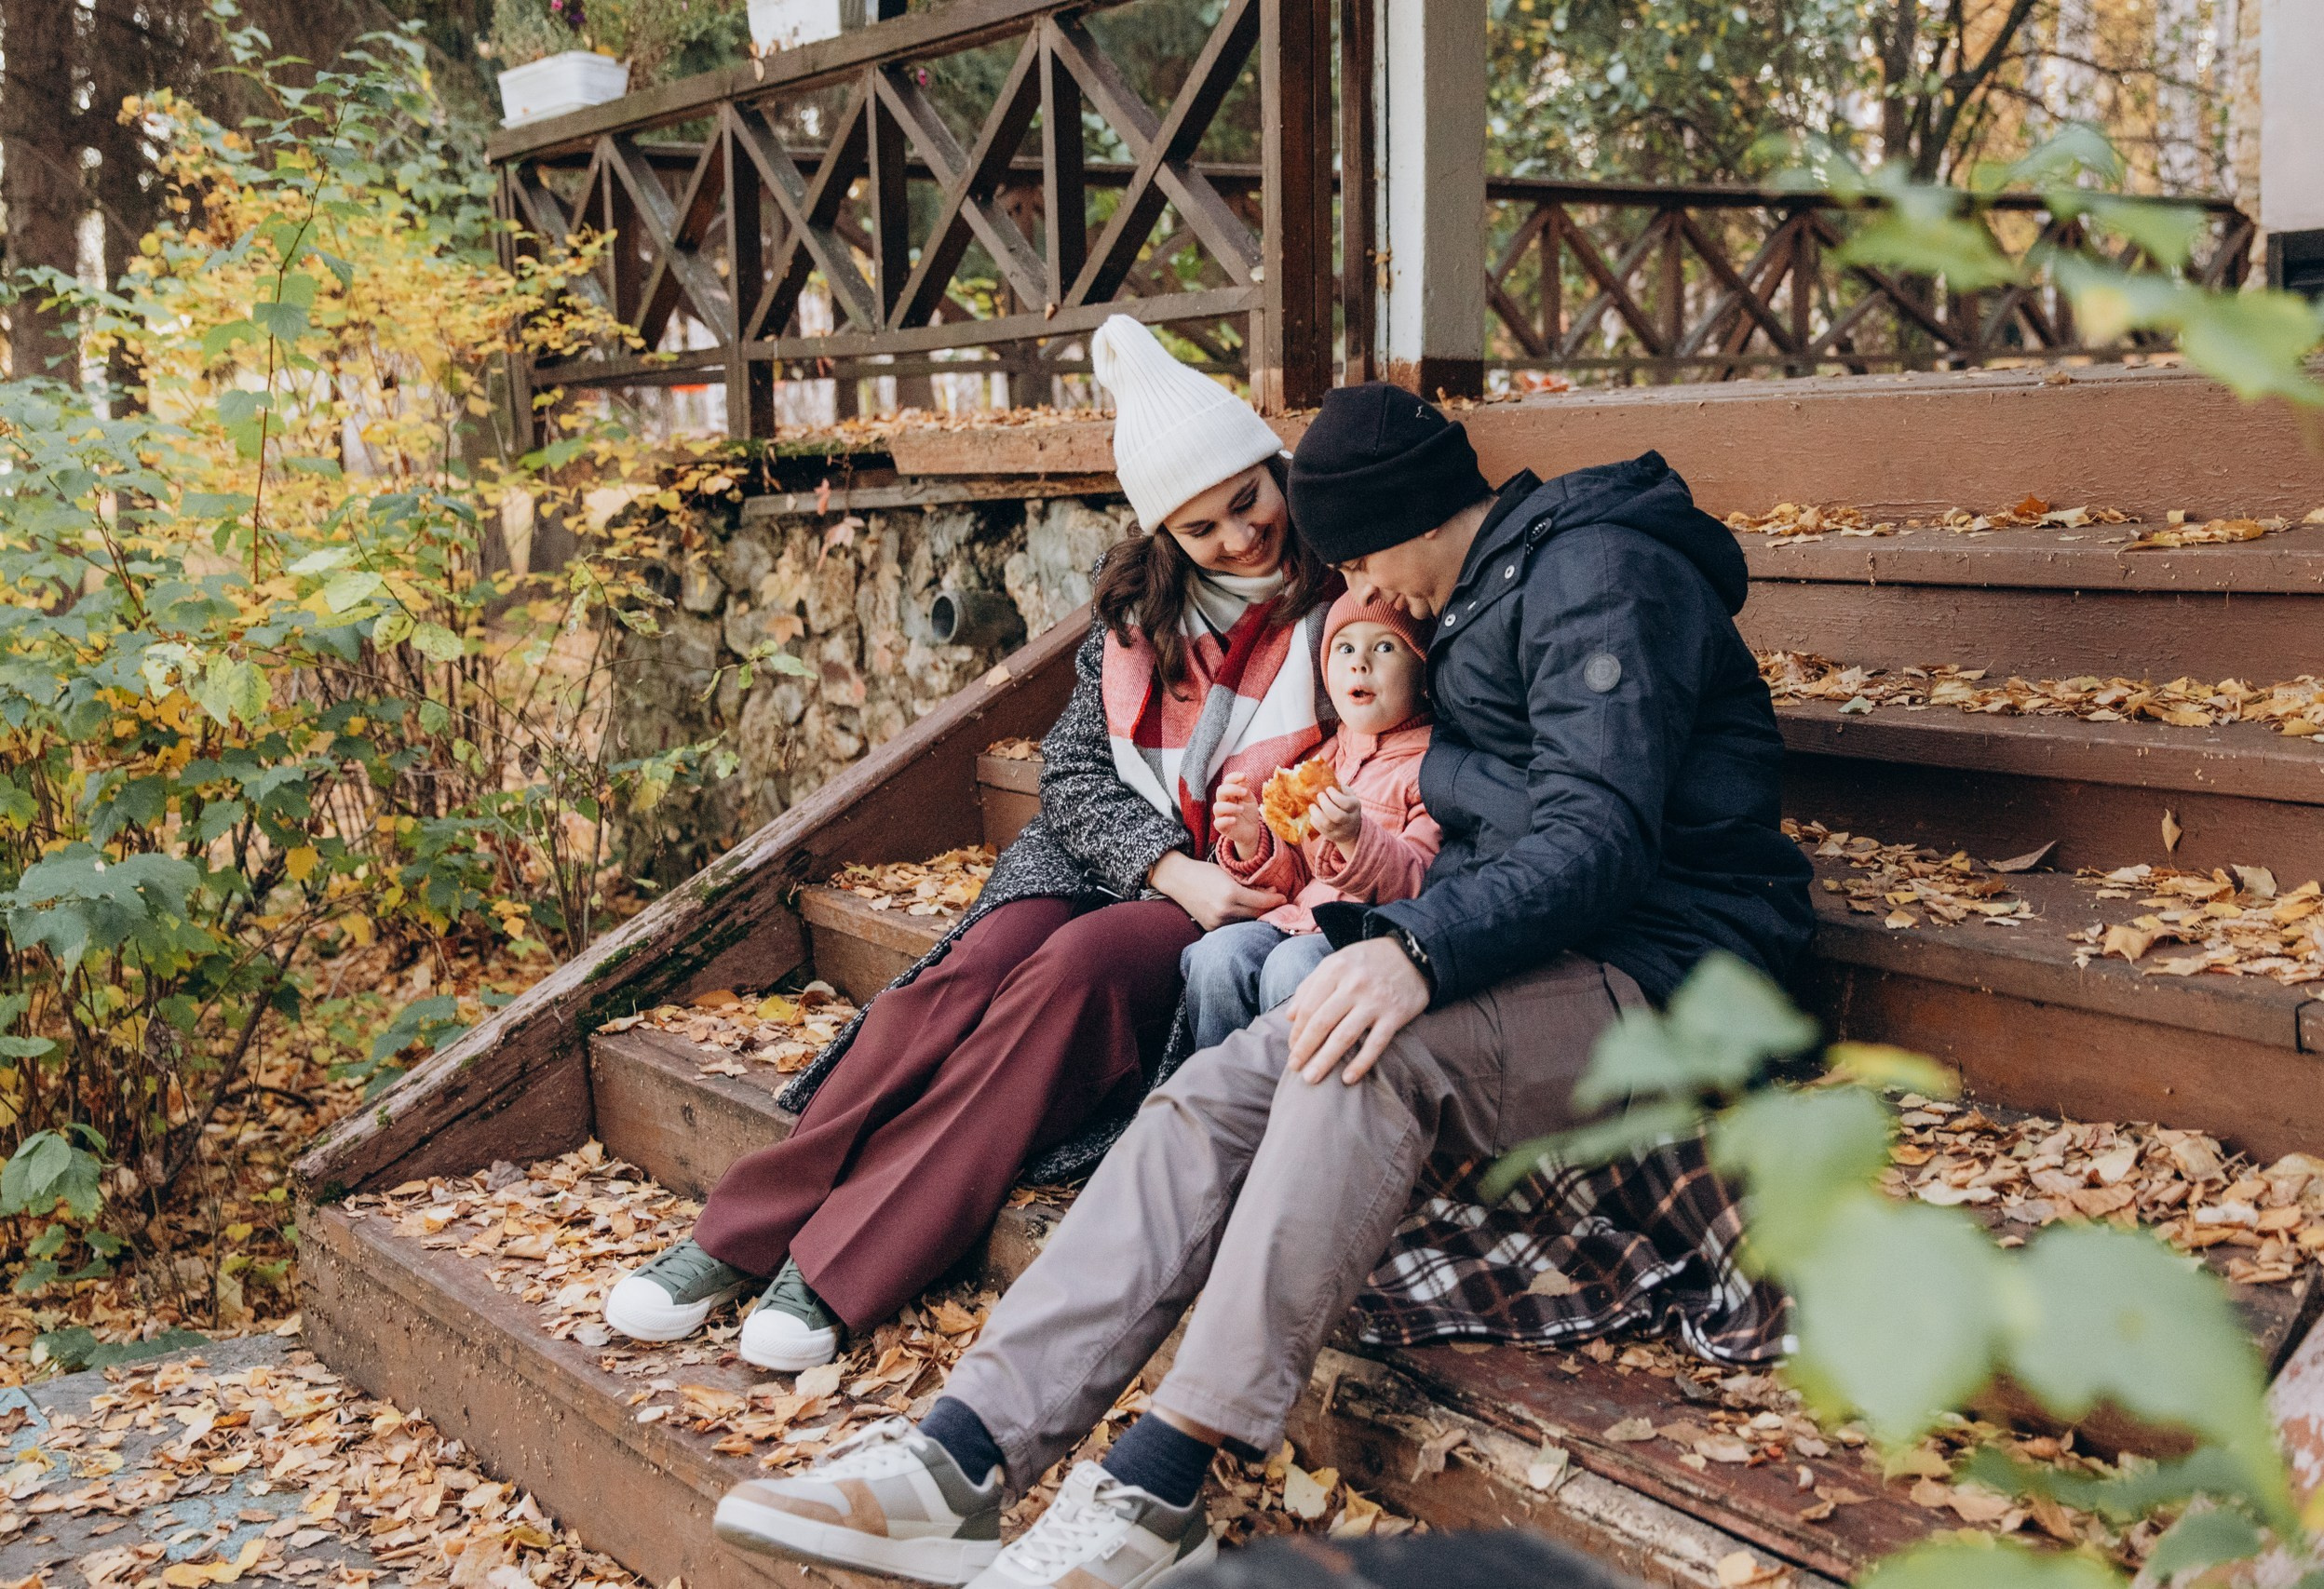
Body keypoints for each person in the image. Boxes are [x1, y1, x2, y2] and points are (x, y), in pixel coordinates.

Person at [709, 385, 1816, 1589]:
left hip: (1673, 971)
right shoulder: (1495, 589)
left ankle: (1159, 1480)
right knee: (1220, 1084)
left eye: (1347, 555)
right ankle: (961, 1452)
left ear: (1387, 524)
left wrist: (1418, 947)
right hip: (1536, 949)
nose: (1358, 592)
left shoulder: (1604, 575)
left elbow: (1598, 836)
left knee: (1359, 1051)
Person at [601, 315, 1336, 1376]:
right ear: (1163, 533)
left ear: (1275, 471)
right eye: (1201, 525)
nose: (1238, 538)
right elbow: (1074, 775)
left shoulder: (1336, 608)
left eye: (1247, 500)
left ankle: (847, 1263)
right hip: (1119, 860)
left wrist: (1207, 880)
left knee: (1068, 976)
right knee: (961, 977)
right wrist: (1162, 863)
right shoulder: (1138, 615)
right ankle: (737, 1234)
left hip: (1231, 894)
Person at [1182, 590, 1439, 1051]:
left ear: (1422, 674)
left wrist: (1357, 839)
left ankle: (1298, 1110)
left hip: (1362, 932)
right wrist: (1249, 840)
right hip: (1295, 917)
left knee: (1292, 967)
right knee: (1216, 956)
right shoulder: (1326, 759)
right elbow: (1294, 875)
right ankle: (1217, 1099)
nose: (1359, 663)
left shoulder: (1429, 770)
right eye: (1345, 648)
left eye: (1384, 647)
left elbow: (1419, 880)